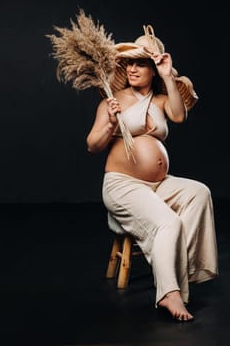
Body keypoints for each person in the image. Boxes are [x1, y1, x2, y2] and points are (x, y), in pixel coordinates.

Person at [86, 25, 219, 322]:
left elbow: (179, 115)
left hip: (158, 185)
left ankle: (181, 271)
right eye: (129, 63)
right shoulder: (113, 99)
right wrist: (109, 122)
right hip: (123, 184)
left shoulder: (160, 99)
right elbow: (93, 146)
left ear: (152, 68)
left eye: (141, 63)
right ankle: (168, 293)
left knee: (199, 192)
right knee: (168, 222)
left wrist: (168, 75)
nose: (133, 68)